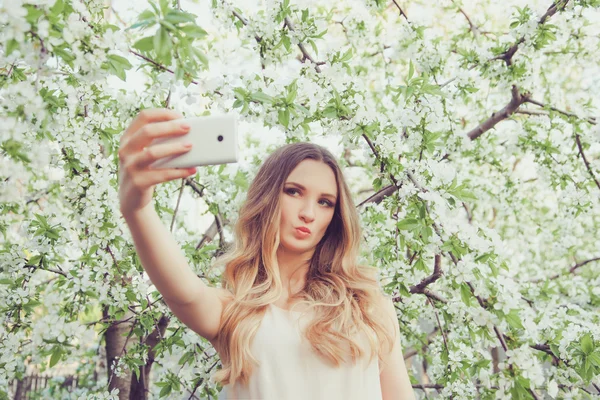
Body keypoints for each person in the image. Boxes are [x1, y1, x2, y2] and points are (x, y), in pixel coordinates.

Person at [118, 108, 416, 400]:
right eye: (293, 192)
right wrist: (137, 208)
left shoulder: (368, 306)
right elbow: (182, 292)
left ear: (336, 217)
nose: (309, 213)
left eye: (325, 202)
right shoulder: (235, 312)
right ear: (268, 197)